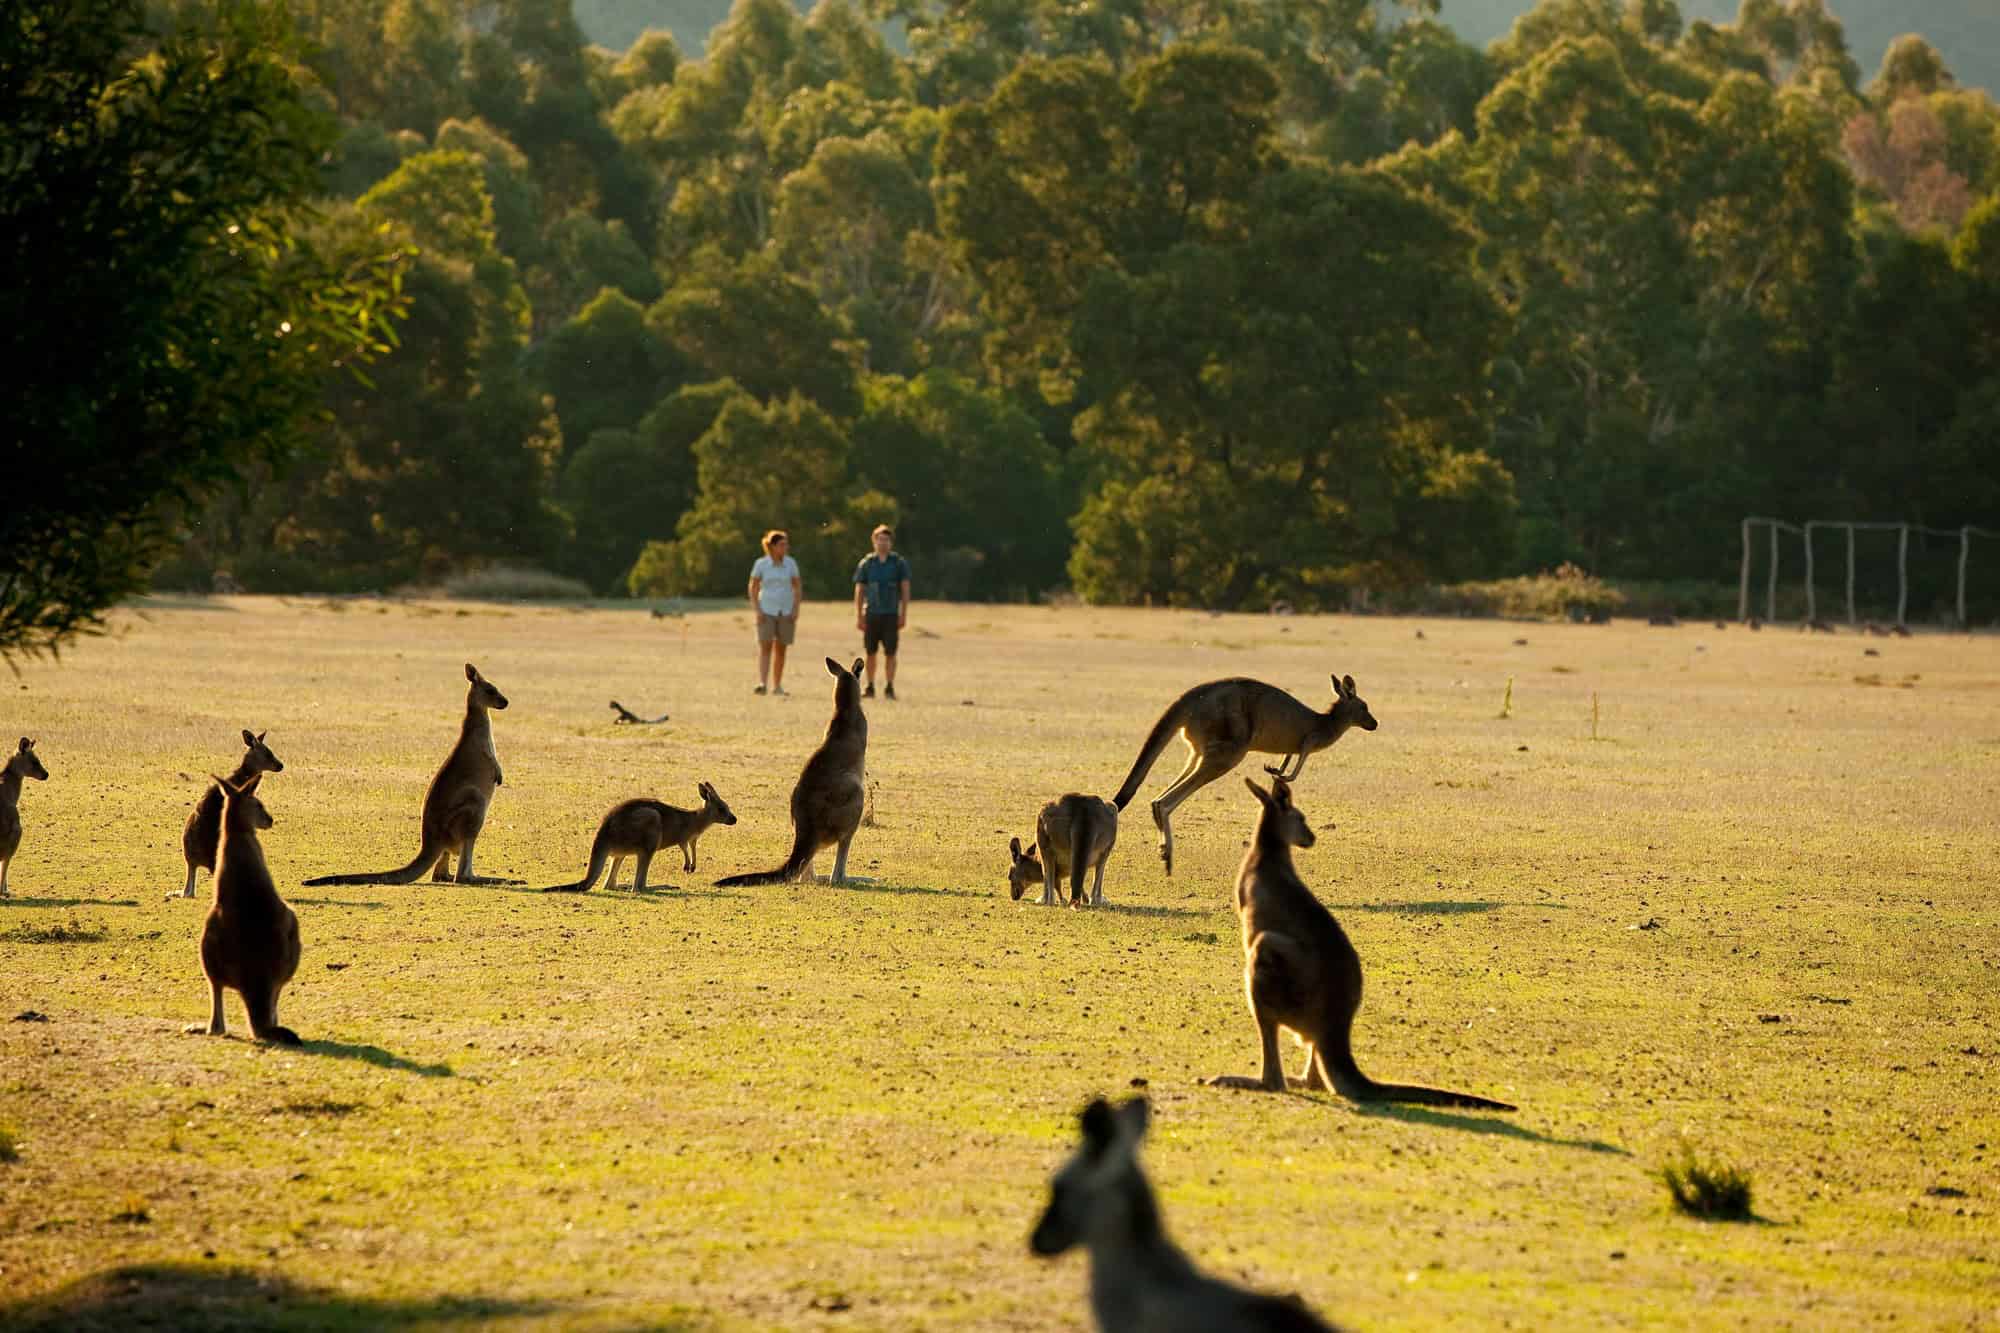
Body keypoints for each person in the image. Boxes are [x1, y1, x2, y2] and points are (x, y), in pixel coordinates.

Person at [852, 524, 910, 699]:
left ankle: (889, 686)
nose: (882, 543)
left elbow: (905, 589)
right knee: (870, 652)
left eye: (886, 540)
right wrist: (859, 615)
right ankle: (869, 686)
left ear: (891, 542)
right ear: (874, 542)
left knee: (890, 653)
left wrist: (903, 613)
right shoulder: (867, 564)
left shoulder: (899, 564)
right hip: (872, 614)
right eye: (879, 539)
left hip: (891, 614)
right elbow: (860, 590)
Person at [749, 530, 802, 695]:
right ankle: (762, 683)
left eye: (786, 544)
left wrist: (795, 609)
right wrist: (757, 610)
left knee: (781, 648)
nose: (785, 547)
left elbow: (797, 587)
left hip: (785, 611)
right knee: (765, 647)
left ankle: (777, 685)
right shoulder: (761, 564)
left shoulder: (791, 564)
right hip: (766, 610)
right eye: (781, 544)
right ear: (772, 546)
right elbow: (753, 587)